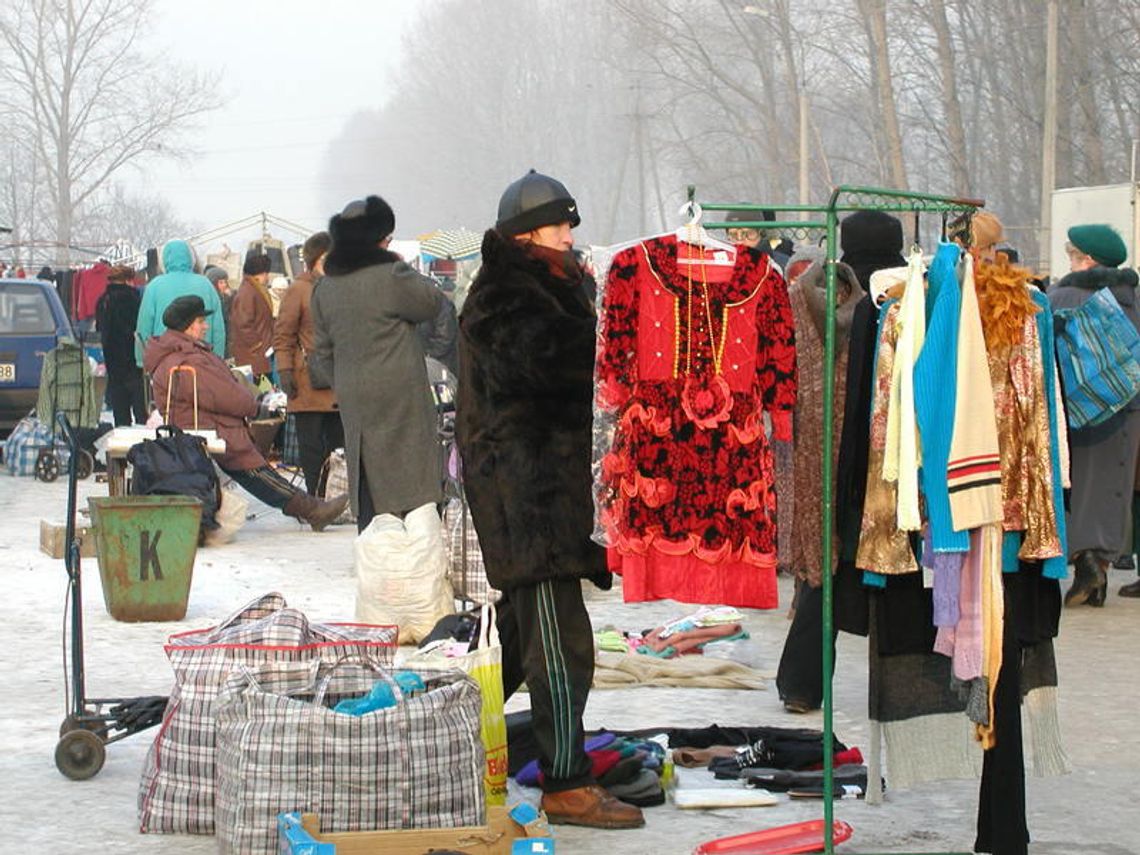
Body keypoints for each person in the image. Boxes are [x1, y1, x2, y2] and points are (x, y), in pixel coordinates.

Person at [456, 170, 643, 830]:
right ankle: (565, 782)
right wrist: (623, 332)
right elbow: (550, 365)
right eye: (560, 224)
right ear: (527, 232)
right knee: (562, 646)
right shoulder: (505, 295)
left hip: (550, 488)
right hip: (525, 492)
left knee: (519, 641)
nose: (571, 234)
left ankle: (447, 739)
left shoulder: (554, 283)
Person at [144, 295, 348, 530]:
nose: (205, 326)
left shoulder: (180, 354)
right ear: (188, 325)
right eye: (201, 321)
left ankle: (310, 508)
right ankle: (312, 510)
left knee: (254, 466)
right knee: (251, 466)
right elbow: (224, 395)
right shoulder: (185, 359)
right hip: (206, 427)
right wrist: (254, 407)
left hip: (205, 423)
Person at [311, 195, 447, 531]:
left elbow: (323, 352)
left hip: (355, 398)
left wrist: (345, 382)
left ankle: (376, 553)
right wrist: (398, 265)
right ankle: (414, 556)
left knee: (368, 476)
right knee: (411, 482)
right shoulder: (392, 275)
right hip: (401, 395)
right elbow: (431, 303)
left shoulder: (324, 288)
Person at [1048, 223, 1140, 604]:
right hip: (1128, 409)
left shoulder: (1063, 297)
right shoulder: (1133, 299)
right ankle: (1099, 565)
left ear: (1085, 259)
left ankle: (1083, 563)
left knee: (1077, 486)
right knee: (1112, 489)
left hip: (1075, 408)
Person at [273, 231, 344, 496]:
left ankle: (337, 495)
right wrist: (284, 370)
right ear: (315, 259)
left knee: (339, 444)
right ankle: (316, 498)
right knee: (312, 445)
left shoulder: (340, 286)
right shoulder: (298, 289)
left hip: (337, 377)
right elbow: (283, 335)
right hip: (307, 380)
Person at [135, 239, 226, 363]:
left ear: (164, 260)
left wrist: (142, 359)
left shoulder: (154, 287)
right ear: (191, 258)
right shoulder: (205, 284)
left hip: (164, 359)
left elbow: (144, 327)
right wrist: (218, 358)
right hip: (202, 358)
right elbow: (218, 328)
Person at [94, 265, 148, 426]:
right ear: (128, 280)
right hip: (134, 359)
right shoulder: (134, 298)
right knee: (141, 411)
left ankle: (122, 444)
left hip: (113, 360)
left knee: (120, 411)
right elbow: (140, 327)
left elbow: (99, 328)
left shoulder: (103, 300)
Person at [230, 252, 275, 381]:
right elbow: (242, 324)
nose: (267, 277)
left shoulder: (253, 290)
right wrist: (257, 344)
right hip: (254, 356)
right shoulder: (248, 293)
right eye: (266, 273)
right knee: (257, 393)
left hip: (259, 354)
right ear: (261, 273)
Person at [724, 207, 793, 268]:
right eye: (734, 235)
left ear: (761, 234)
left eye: (748, 234)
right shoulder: (721, 265)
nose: (740, 241)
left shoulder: (783, 265)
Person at [204, 265, 235, 358]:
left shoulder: (225, 298)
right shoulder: (212, 300)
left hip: (226, 340)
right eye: (221, 282)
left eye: (225, 282)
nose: (224, 285)